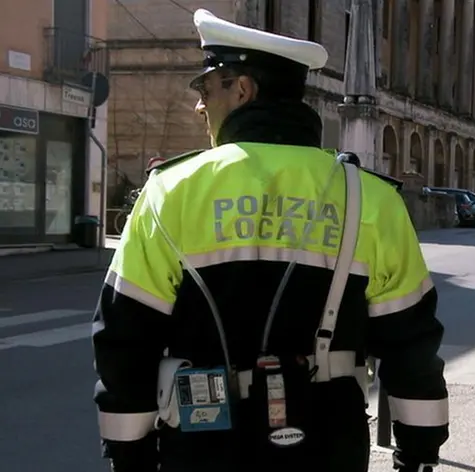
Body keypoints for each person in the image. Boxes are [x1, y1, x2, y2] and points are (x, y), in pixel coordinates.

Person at [91, 9, 448, 472]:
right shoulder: (370, 199)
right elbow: (412, 344)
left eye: (206, 87)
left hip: (204, 444)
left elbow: (125, 338)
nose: (199, 104)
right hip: (329, 445)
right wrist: (417, 456)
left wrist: (129, 455)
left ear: (242, 90)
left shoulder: (170, 193)